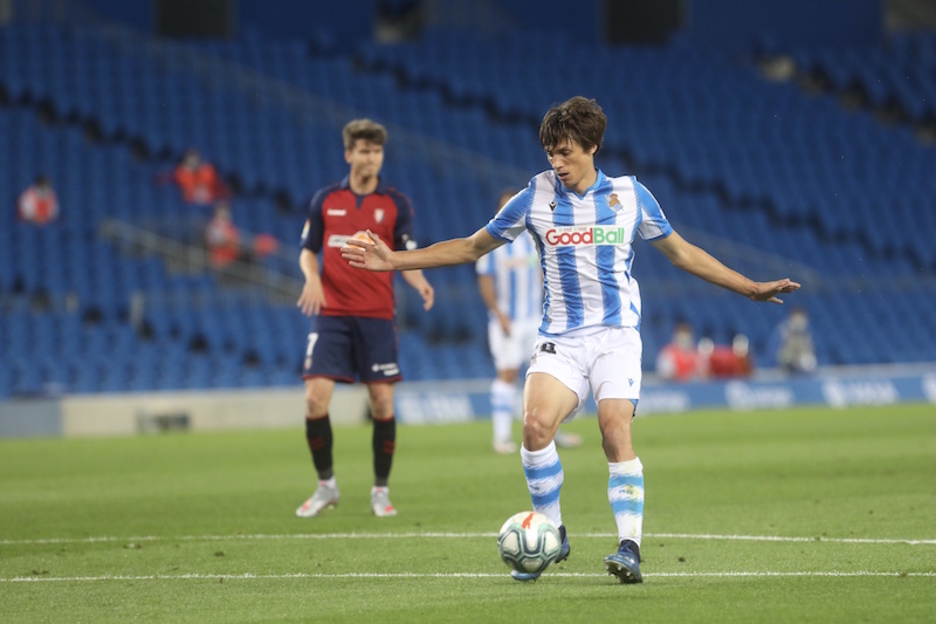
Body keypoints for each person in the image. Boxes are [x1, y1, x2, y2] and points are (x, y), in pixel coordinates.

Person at [342, 96, 799, 583]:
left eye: (564, 152)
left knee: (612, 429)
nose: (556, 163)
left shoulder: (630, 196)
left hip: (616, 336)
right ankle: (554, 533)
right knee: (536, 426)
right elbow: (472, 248)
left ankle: (630, 547)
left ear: (592, 146)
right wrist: (394, 261)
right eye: (550, 154)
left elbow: (683, 254)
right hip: (560, 338)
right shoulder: (534, 198)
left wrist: (749, 287)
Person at [295, 118, 434, 520]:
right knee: (314, 398)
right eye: (364, 150)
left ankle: (380, 489)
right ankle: (326, 486)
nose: (371, 157)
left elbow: (405, 255)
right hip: (332, 314)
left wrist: (419, 281)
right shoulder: (325, 200)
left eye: (377, 151)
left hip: (376, 315)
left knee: (382, 402)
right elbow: (307, 249)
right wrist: (311, 280)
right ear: (349, 154)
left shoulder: (396, 204)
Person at [477, 188, 582, 454]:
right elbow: (485, 281)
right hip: (507, 320)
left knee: (545, 375)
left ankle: (550, 432)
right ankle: (500, 437)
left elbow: (544, 277)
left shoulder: (534, 239)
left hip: (535, 319)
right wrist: (498, 314)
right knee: (508, 373)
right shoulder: (493, 242)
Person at [770, 307, 816, 374]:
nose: (799, 322)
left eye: (801, 319)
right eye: (797, 318)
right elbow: (774, 354)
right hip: (784, 370)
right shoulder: (781, 332)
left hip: (803, 370)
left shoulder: (808, 334)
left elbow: (812, 352)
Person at [204, 202, 241, 268]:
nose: (225, 215)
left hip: (233, 258)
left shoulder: (231, 227)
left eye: (226, 213)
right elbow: (213, 241)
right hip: (219, 259)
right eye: (222, 213)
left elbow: (236, 240)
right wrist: (227, 240)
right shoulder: (213, 226)